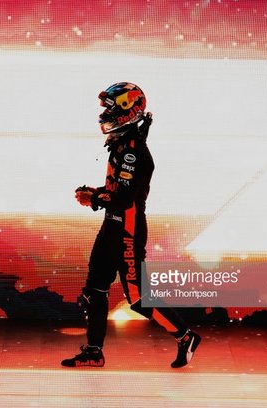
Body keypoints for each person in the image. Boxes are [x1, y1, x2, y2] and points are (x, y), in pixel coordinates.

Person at [61, 82, 201, 369]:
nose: (104, 115)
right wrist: (96, 192)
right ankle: (94, 352)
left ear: (127, 111)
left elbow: (125, 199)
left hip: (127, 232)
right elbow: (119, 189)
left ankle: (185, 336)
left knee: (137, 299)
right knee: (94, 291)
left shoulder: (134, 152)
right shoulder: (123, 144)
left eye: (110, 109)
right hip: (110, 227)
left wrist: (94, 198)